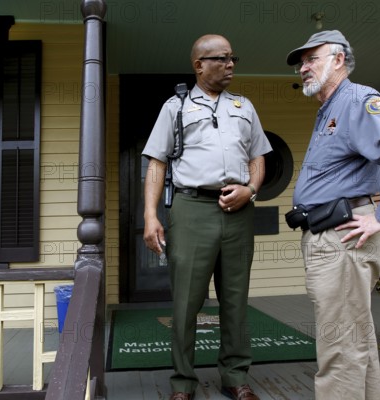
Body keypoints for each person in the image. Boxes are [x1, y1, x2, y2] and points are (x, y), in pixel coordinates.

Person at [286, 30, 380, 399]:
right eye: (301, 61)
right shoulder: (330, 108)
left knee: (339, 345)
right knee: (355, 337)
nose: (303, 67)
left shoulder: (357, 100)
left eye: (311, 58)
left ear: (338, 59)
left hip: (343, 235)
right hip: (331, 235)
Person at [142, 34, 272, 400]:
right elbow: (157, 162)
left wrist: (252, 189)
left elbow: (258, 157)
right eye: (222, 58)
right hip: (191, 209)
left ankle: (235, 377)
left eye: (233, 58)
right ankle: (183, 383)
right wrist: (151, 215)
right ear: (199, 64)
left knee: (235, 298)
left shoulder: (244, 107)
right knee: (186, 302)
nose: (231, 64)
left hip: (239, 210)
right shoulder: (175, 107)